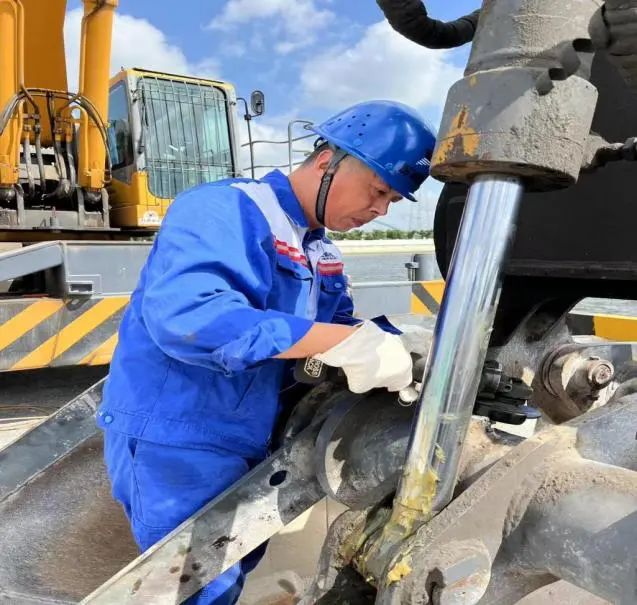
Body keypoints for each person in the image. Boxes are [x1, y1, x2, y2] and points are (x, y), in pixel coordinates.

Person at [97, 99, 436, 604]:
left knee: (229, 574)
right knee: (197, 589)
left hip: (252, 437)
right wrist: (344, 343)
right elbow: (191, 318)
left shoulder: (319, 249)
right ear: (328, 161)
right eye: (379, 190)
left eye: (392, 201)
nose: (380, 211)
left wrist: (397, 343)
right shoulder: (227, 209)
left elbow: (331, 328)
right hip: (182, 435)